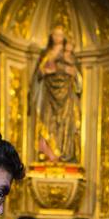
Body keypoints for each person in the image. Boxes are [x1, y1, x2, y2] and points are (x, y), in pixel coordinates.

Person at [34, 25, 81, 163]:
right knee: (48, 121)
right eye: (55, 35)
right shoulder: (46, 53)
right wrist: (46, 71)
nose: (58, 38)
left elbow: (77, 77)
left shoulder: (69, 54)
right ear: (51, 36)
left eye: (60, 35)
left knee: (66, 122)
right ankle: (49, 155)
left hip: (66, 95)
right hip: (49, 94)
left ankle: (64, 154)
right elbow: (38, 74)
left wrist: (71, 72)